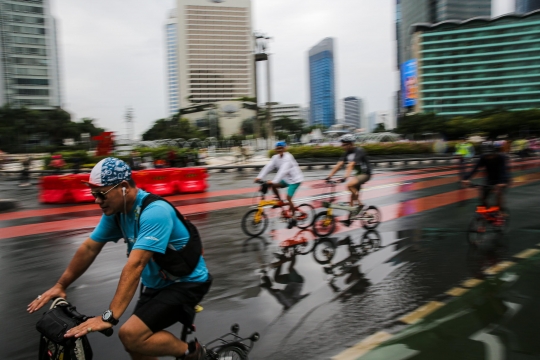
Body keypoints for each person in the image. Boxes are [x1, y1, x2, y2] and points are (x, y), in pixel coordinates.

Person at [27, 157, 211, 360]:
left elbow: (136, 265)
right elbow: (89, 248)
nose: (97, 200)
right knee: (135, 346)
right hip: (156, 284)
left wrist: (109, 317)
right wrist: (61, 284)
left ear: (123, 187)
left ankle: (193, 353)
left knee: (130, 334)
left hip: (187, 283)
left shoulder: (155, 212)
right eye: (93, 194)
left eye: (101, 194)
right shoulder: (116, 213)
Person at [255, 141, 304, 229]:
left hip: (295, 180)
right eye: (278, 148)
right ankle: (280, 201)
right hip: (286, 179)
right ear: (275, 150)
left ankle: (294, 218)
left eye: (281, 148)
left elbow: (282, 171)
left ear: (285, 148)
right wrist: (259, 177)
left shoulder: (288, 158)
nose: (279, 150)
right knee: (273, 186)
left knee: (288, 198)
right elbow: (268, 167)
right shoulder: (275, 158)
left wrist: (274, 181)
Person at [461, 141, 510, 212]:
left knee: (498, 193)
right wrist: (466, 178)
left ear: (495, 152)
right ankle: (486, 210)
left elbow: (503, 170)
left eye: (490, 155)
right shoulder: (483, 157)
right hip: (490, 178)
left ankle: (500, 211)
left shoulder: (501, 158)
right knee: (483, 195)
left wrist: (501, 182)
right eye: (486, 155)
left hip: (502, 178)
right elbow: (475, 168)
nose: (488, 157)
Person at [326, 134, 372, 210]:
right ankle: (351, 219)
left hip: (365, 174)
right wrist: (329, 176)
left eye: (344, 145)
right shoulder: (346, 153)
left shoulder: (359, 151)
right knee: (351, 201)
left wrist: (345, 178)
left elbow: (351, 165)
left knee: (349, 185)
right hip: (358, 174)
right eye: (342, 144)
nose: (342, 146)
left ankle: (360, 203)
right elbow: (339, 165)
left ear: (350, 144)